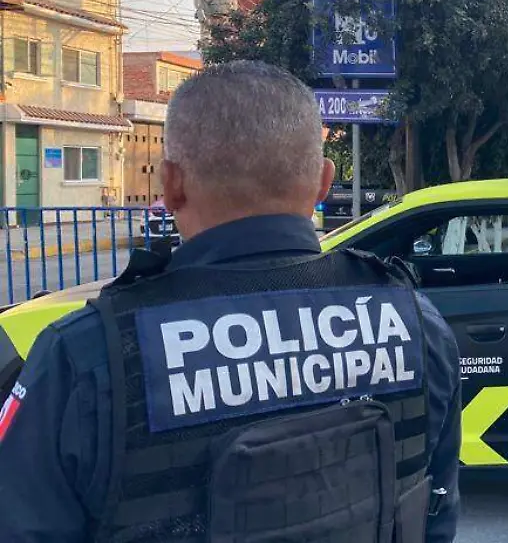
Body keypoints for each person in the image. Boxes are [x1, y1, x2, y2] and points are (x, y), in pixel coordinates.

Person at [0, 62, 462, 543]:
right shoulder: (417, 324)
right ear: (324, 182)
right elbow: (436, 517)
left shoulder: (85, 356)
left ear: (170, 184)